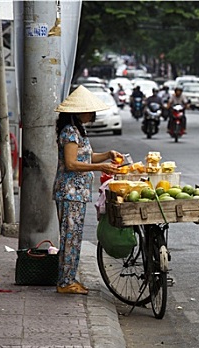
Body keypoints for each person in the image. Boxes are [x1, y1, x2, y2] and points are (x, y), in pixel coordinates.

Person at [52, 85, 123, 295]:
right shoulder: (69, 133)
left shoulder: (78, 132)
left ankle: (69, 279)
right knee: (69, 238)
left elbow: (87, 157)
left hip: (78, 192)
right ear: (78, 112)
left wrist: (108, 155)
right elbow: (72, 163)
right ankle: (65, 282)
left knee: (74, 237)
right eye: (89, 111)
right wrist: (100, 167)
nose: (92, 115)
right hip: (69, 192)